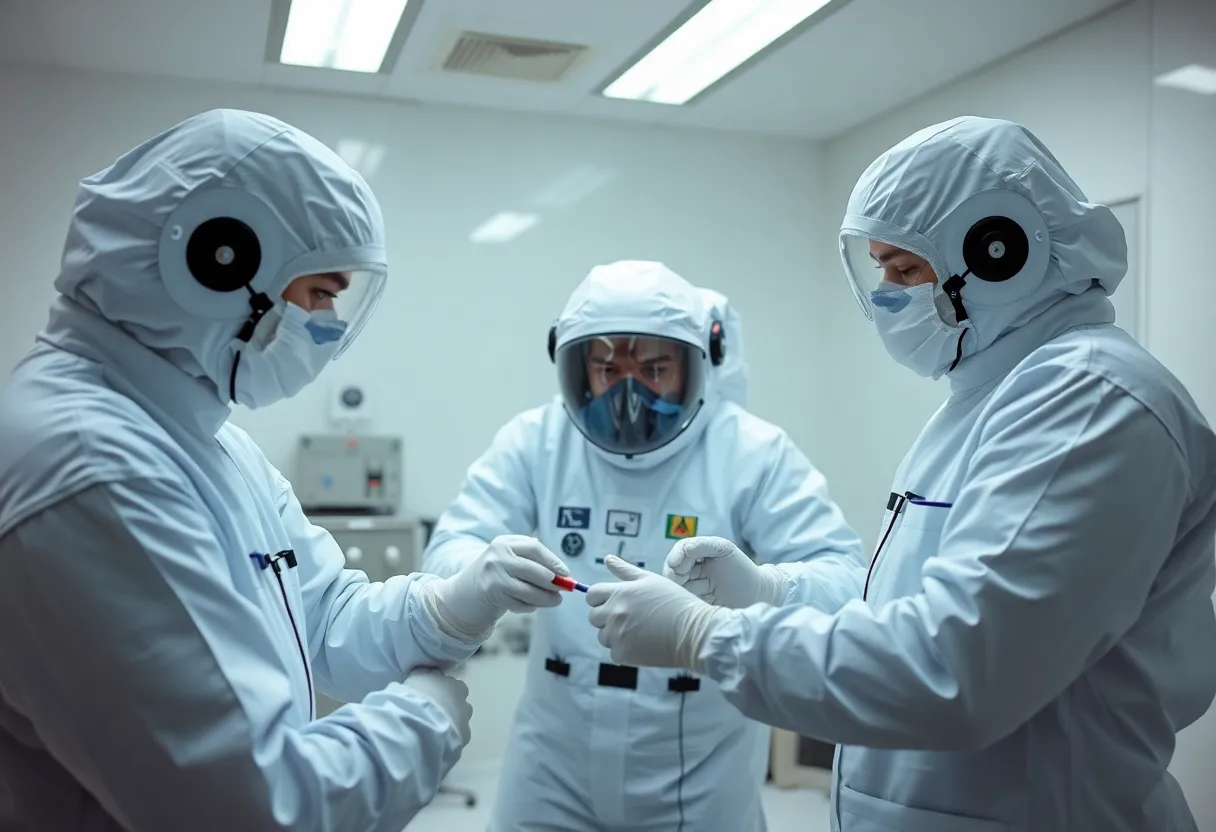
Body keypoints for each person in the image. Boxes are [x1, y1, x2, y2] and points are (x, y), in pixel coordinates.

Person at [586, 117, 1216, 831]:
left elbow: (956, 670)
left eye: (906, 268)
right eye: (880, 267)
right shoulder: (988, 400)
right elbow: (916, 600)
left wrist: (703, 637)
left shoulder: (1089, 402)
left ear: (999, 251)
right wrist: (773, 592)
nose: (887, 294)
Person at [0, 109, 569, 831]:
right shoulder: (93, 470)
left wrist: (455, 604)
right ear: (218, 260)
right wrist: (424, 720)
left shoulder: (202, 439)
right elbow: (258, 809)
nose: (329, 325)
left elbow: (323, 618)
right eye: (323, 293)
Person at [422, 259, 863, 832]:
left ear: (695, 364)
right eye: (608, 369)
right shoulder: (538, 440)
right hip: (554, 752)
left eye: (653, 369)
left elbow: (849, 580)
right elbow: (452, 544)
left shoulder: (752, 452)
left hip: (699, 757)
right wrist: (479, 574)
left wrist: (767, 587)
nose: (627, 394)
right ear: (578, 369)